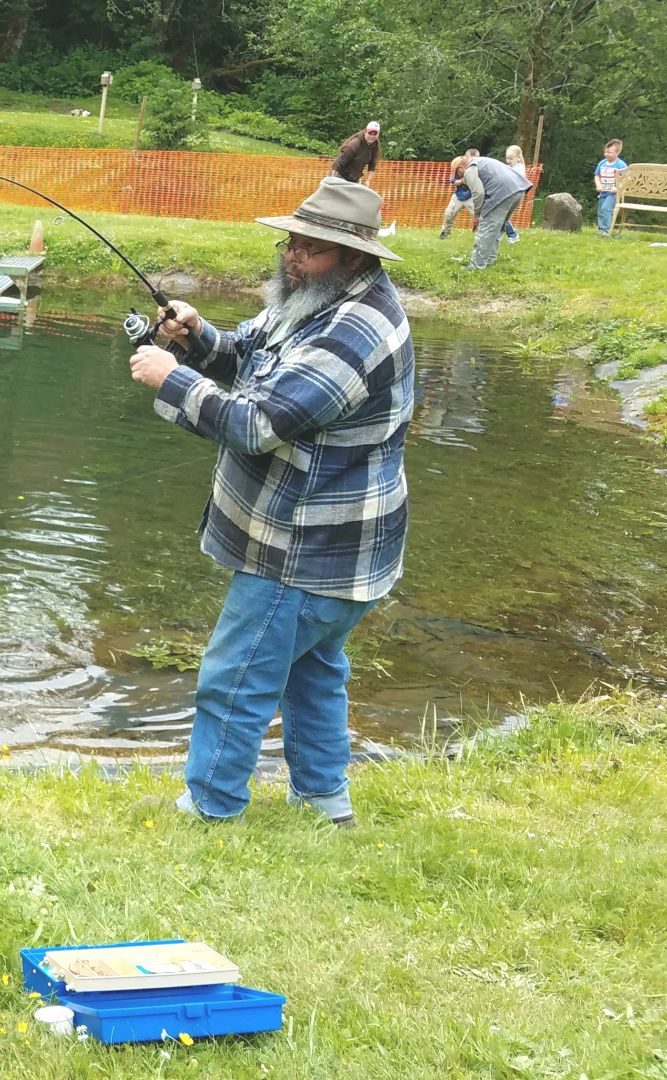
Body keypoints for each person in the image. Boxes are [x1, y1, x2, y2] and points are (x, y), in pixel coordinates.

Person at [128, 177, 414, 826]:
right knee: (312, 674)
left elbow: (259, 425)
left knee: (235, 679)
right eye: (292, 240)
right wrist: (197, 338)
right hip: (341, 556)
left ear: (355, 257)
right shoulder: (314, 300)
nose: (292, 255)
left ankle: (210, 809)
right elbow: (252, 358)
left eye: (311, 249)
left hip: (307, 553)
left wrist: (171, 378)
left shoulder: (356, 331)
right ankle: (324, 802)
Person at [455, 150, 532, 270]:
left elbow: (478, 193)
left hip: (503, 192)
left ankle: (477, 265)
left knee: (487, 228)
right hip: (519, 189)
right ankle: (490, 259)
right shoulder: (482, 162)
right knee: (498, 226)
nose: (458, 177)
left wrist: (477, 215)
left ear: (460, 167)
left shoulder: (470, 169)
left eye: (457, 174)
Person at [437, 148, 481, 240]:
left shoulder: (480, 167)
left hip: (472, 196)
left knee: (477, 216)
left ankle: (480, 236)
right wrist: (464, 180)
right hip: (459, 195)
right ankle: (445, 232)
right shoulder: (457, 164)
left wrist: (468, 179)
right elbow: (454, 182)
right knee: (449, 214)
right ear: (465, 157)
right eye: (469, 158)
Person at [592, 138, 628, 237]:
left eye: (609, 152)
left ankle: (605, 230)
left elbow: (627, 179)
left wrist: (618, 188)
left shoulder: (621, 165)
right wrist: (598, 185)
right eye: (605, 152)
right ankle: (601, 230)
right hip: (603, 192)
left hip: (613, 193)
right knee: (600, 211)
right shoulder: (602, 163)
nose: (606, 154)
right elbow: (597, 175)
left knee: (605, 210)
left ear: (617, 153)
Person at [501, 145, 527, 244]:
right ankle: (511, 235)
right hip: (510, 193)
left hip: (514, 194)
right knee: (503, 215)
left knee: (503, 215)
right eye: (507, 158)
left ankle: (513, 235)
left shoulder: (519, 168)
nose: (508, 160)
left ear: (518, 158)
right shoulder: (511, 167)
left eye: (511, 158)